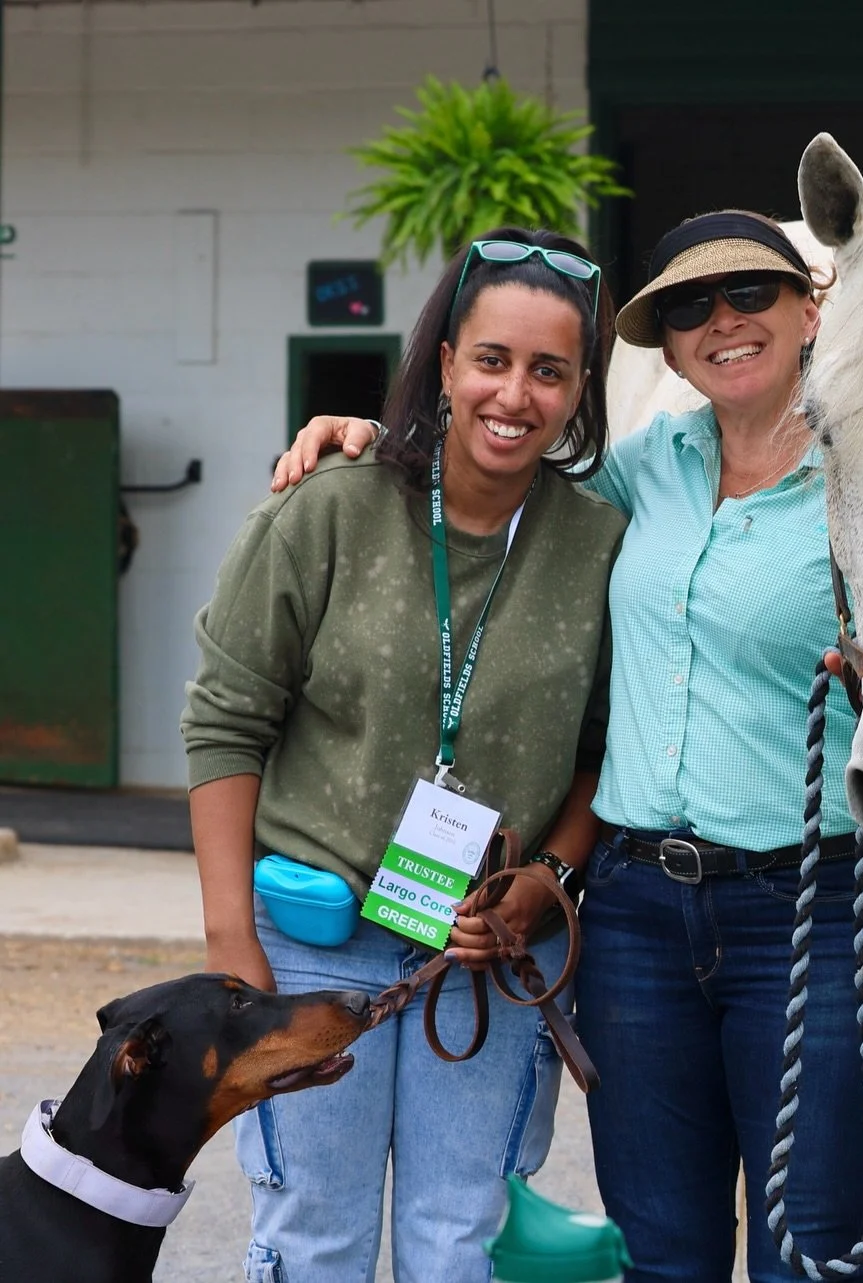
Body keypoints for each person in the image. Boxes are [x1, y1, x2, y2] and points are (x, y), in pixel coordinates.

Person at [275, 210, 863, 1283]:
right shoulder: (642, 470)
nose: (720, 321)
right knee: (660, 1254)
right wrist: (368, 439)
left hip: (812, 906)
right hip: (635, 918)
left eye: (748, 294)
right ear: (664, 346)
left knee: (809, 1257)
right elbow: (493, 482)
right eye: (686, 308)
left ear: (811, 309)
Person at [184, 227, 625, 1282]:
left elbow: (610, 753)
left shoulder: (604, 542)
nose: (514, 394)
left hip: (487, 957)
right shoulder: (326, 503)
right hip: (312, 941)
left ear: (578, 393)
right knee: (312, 1237)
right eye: (492, 359)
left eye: (548, 370)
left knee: (461, 1245)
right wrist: (230, 946)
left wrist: (544, 880)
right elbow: (225, 719)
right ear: (443, 364)